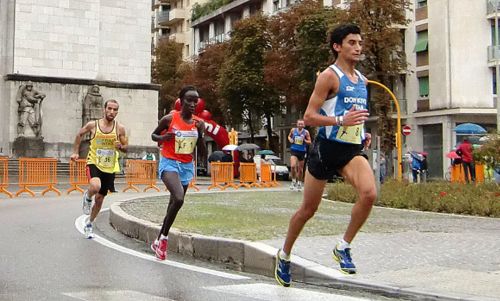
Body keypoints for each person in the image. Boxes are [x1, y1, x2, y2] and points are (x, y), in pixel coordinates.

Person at [274, 24, 373, 287]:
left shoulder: (363, 81)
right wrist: (340, 120)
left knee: (369, 193)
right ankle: (284, 255)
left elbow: (357, 117)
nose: (358, 47)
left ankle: (343, 246)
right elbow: (308, 117)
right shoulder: (329, 77)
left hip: (350, 151)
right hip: (325, 151)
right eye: (352, 42)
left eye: (360, 42)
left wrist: (362, 133)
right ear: (337, 47)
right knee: (308, 209)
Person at [150, 86, 205, 260]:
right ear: (181, 101)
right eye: (189, 100)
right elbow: (153, 135)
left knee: (173, 204)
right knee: (179, 198)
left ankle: (157, 241)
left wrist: (201, 135)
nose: (192, 104)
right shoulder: (169, 119)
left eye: (195, 101)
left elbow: (202, 152)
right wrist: (163, 138)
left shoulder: (198, 123)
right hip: (169, 163)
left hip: (186, 166)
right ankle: (165, 239)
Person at [70, 99, 128, 238]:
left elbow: (126, 147)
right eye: (109, 108)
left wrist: (121, 147)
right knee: (95, 187)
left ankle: (89, 223)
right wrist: (76, 152)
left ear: (117, 112)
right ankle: (88, 196)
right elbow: (79, 134)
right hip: (94, 161)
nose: (111, 112)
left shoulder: (120, 128)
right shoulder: (93, 125)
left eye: (115, 110)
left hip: (109, 166)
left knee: (100, 198)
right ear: (104, 109)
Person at [288, 119, 311, 191]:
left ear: (304, 125)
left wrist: (304, 140)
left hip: (302, 151)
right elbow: (289, 136)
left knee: (300, 169)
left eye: (302, 124)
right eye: (299, 124)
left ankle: (299, 182)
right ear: (297, 124)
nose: (300, 125)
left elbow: (309, 141)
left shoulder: (306, 132)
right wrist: (290, 139)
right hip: (294, 150)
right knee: (292, 166)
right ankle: (293, 180)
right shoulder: (293, 130)